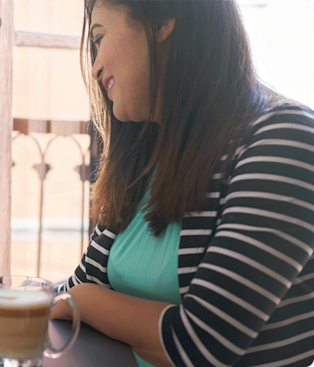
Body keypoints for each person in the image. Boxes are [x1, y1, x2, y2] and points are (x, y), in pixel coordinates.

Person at [50, 1, 314, 366]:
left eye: (100, 37)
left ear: (160, 21)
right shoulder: (147, 154)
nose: (94, 69)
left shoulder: (285, 140)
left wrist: (85, 302)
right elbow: (66, 293)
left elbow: (202, 344)